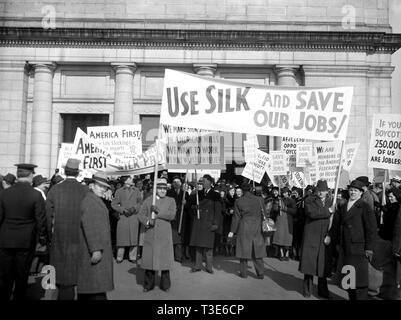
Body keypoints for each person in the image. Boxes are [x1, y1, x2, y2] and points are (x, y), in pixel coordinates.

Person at [0, 164, 47, 300]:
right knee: (22, 276)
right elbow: (40, 220)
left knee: (5, 277)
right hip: (26, 242)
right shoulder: (35, 195)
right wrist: (42, 238)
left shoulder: (5, 193)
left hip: (5, 240)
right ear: (31, 176)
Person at [46, 158, 89, 300]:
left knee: (56, 270)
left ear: (64, 171)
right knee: (73, 271)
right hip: (79, 235)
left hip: (59, 234)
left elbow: (47, 215)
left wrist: (48, 235)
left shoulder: (55, 189)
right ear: (77, 173)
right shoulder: (85, 190)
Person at [331, 179, 377, 300]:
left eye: (355, 190)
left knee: (359, 282)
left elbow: (371, 229)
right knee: (349, 280)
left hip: (359, 249)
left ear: (361, 192)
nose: (353, 192)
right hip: (346, 248)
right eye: (351, 190)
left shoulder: (364, 206)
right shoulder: (343, 205)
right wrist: (333, 239)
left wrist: (369, 248)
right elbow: (337, 224)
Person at [77, 173, 114, 300]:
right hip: (97, 250)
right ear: (91, 186)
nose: (103, 189)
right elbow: (90, 227)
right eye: (100, 186)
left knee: (93, 287)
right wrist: (96, 250)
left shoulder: (93, 199)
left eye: (105, 187)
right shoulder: (91, 202)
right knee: (95, 287)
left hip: (97, 248)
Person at [138, 178, 176, 292]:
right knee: (150, 262)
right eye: (160, 188)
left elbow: (171, 215)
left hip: (165, 236)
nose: (163, 190)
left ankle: (165, 285)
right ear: (155, 189)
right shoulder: (149, 200)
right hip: (151, 234)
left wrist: (158, 212)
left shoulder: (171, 200)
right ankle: (148, 285)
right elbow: (140, 215)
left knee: (165, 263)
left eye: (165, 188)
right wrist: (148, 221)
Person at [299, 180, 334, 299]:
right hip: (311, 236)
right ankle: (307, 290)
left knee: (322, 266)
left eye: (323, 191)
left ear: (327, 192)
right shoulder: (310, 200)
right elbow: (312, 213)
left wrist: (330, 234)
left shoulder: (331, 202)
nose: (321, 193)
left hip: (324, 237)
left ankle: (323, 291)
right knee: (309, 265)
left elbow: (335, 220)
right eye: (319, 190)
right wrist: (328, 211)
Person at [228, 182, 266, 279]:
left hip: (244, 226)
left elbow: (236, 218)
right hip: (257, 226)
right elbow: (264, 214)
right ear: (251, 189)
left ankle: (243, 273)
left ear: (242, 190)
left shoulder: (239, 201)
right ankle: (260, 272)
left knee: (243, 250)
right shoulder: (260, 200)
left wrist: (232, 231)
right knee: (257, 250)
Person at [189, 175, 221, 274]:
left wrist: (216, 223)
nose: (203, 183)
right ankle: (197, 266)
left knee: (208, 247)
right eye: (203, 181)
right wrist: (195, 207)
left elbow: (218, 210)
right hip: (199, 222)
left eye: (206, 181)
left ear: (211, 182)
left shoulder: (216, 195)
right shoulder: (198, 193)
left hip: (209, 223)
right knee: (198, 246)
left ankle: (209, 267)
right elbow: (190, 204)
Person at [111, 175, 142, 263]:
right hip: (123, 217)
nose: (132, 180)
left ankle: (132, 257)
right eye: (130, 179)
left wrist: (134, 208)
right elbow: (114, 204)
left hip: (133, 217)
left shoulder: (137, 190)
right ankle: (119, 257)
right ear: (125, 181)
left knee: (134, 238)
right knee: (122, 238)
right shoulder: (119, 191)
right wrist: (123, 210)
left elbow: (140, 203)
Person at [167, 176, 189, 263]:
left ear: (181, 183)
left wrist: (185, 203)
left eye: (178, 181)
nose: (176, 183)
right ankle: (170, 256)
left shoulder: (185, 193)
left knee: (180, 238)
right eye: (174, 181)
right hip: (172, 218)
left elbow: (188, 206)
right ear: (172, 183)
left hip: (181, 218)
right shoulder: (168, 193)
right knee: (172, 238)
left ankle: (179, 256)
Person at [272, 187, 297, 261]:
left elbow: (294, 211)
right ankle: (281, 254)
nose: (284, 194)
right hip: (280, 220)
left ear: (288, 193)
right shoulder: (279, 200)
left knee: (287, 238)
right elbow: (274, 209)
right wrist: (277, 206)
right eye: (283, 193)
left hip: (288, 220)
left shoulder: (292, 201)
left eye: (285, 192)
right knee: (280, 237)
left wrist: (285, 209)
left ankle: (287, 254)